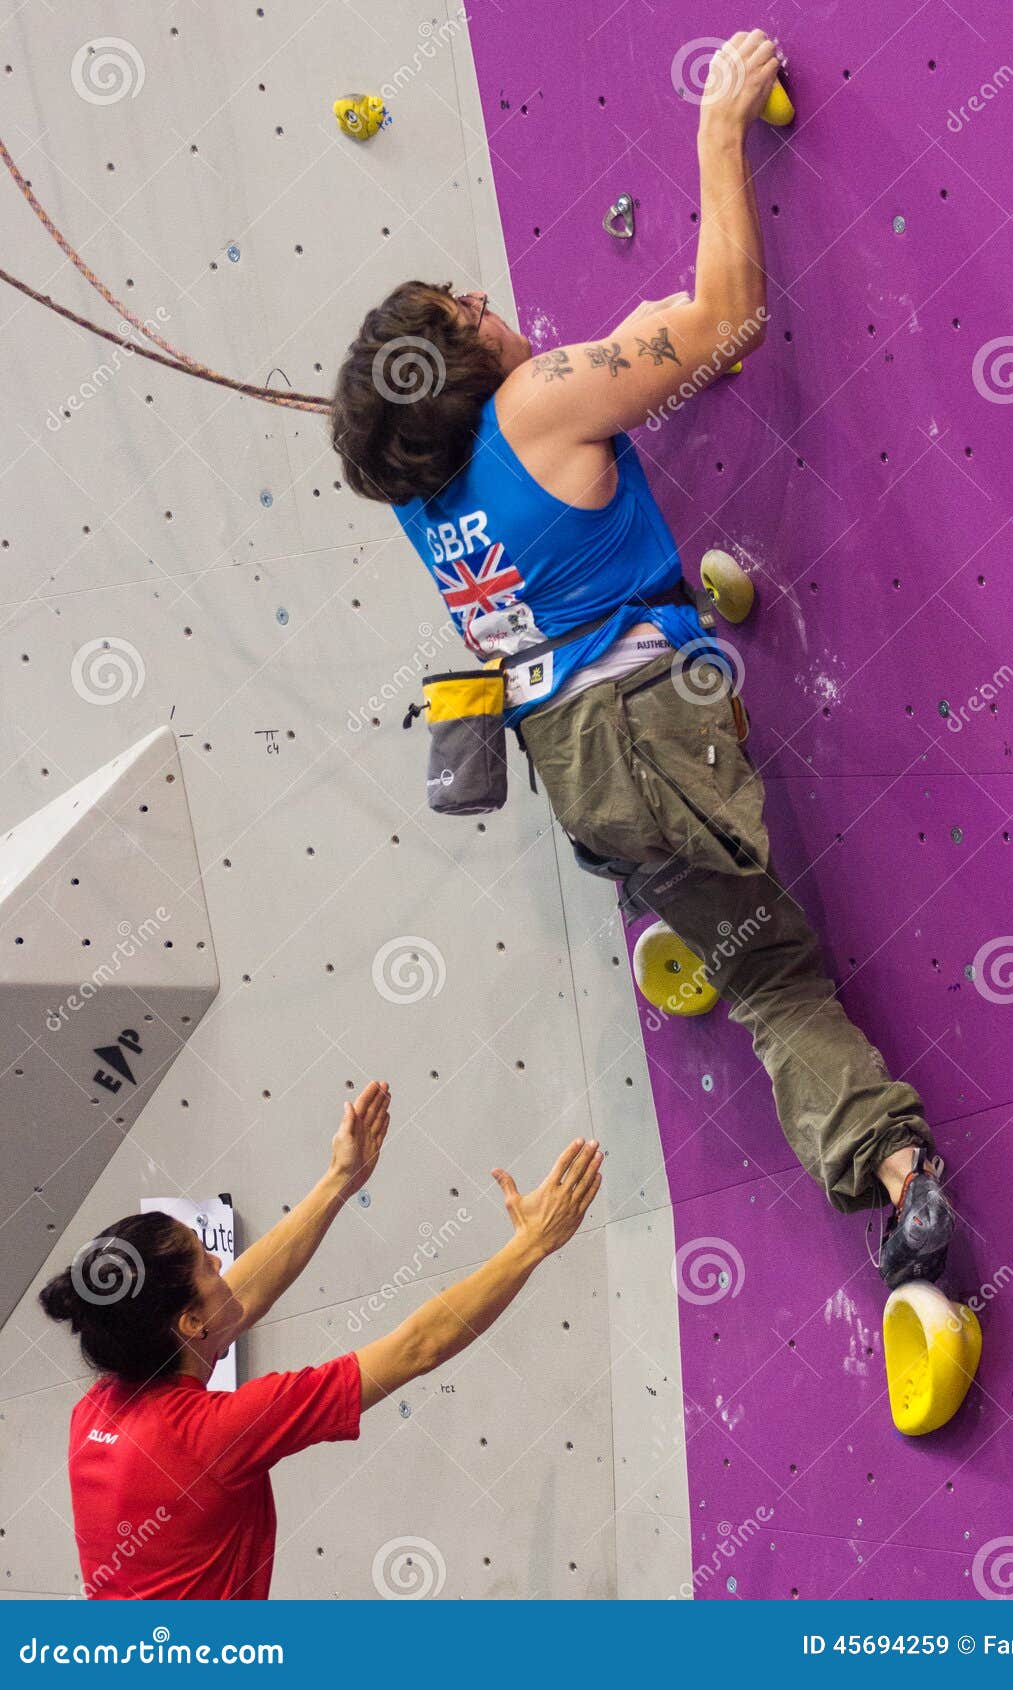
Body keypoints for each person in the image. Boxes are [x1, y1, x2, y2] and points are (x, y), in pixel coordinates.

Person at [328, 31, 955, 1289]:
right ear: (463, 347)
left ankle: (900, 1183)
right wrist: (721, 127)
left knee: (768, 978)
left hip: (579, 775)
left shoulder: (425, 502)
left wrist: (607, 356)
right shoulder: (543, 399)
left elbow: (561, 434)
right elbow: (725, 321)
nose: (491, 305)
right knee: (761, 951)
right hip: (656, 724)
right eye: (470, 305)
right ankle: (887, 1163)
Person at [40, 1080, 602, 1599]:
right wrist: (530, 1245)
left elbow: (238, 1299)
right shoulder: (212, 1435)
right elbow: (417, 1346)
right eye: (205, 1264)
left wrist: (340, 1180)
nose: (220, 1261)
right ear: (187, 1321)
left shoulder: (97, 1409)